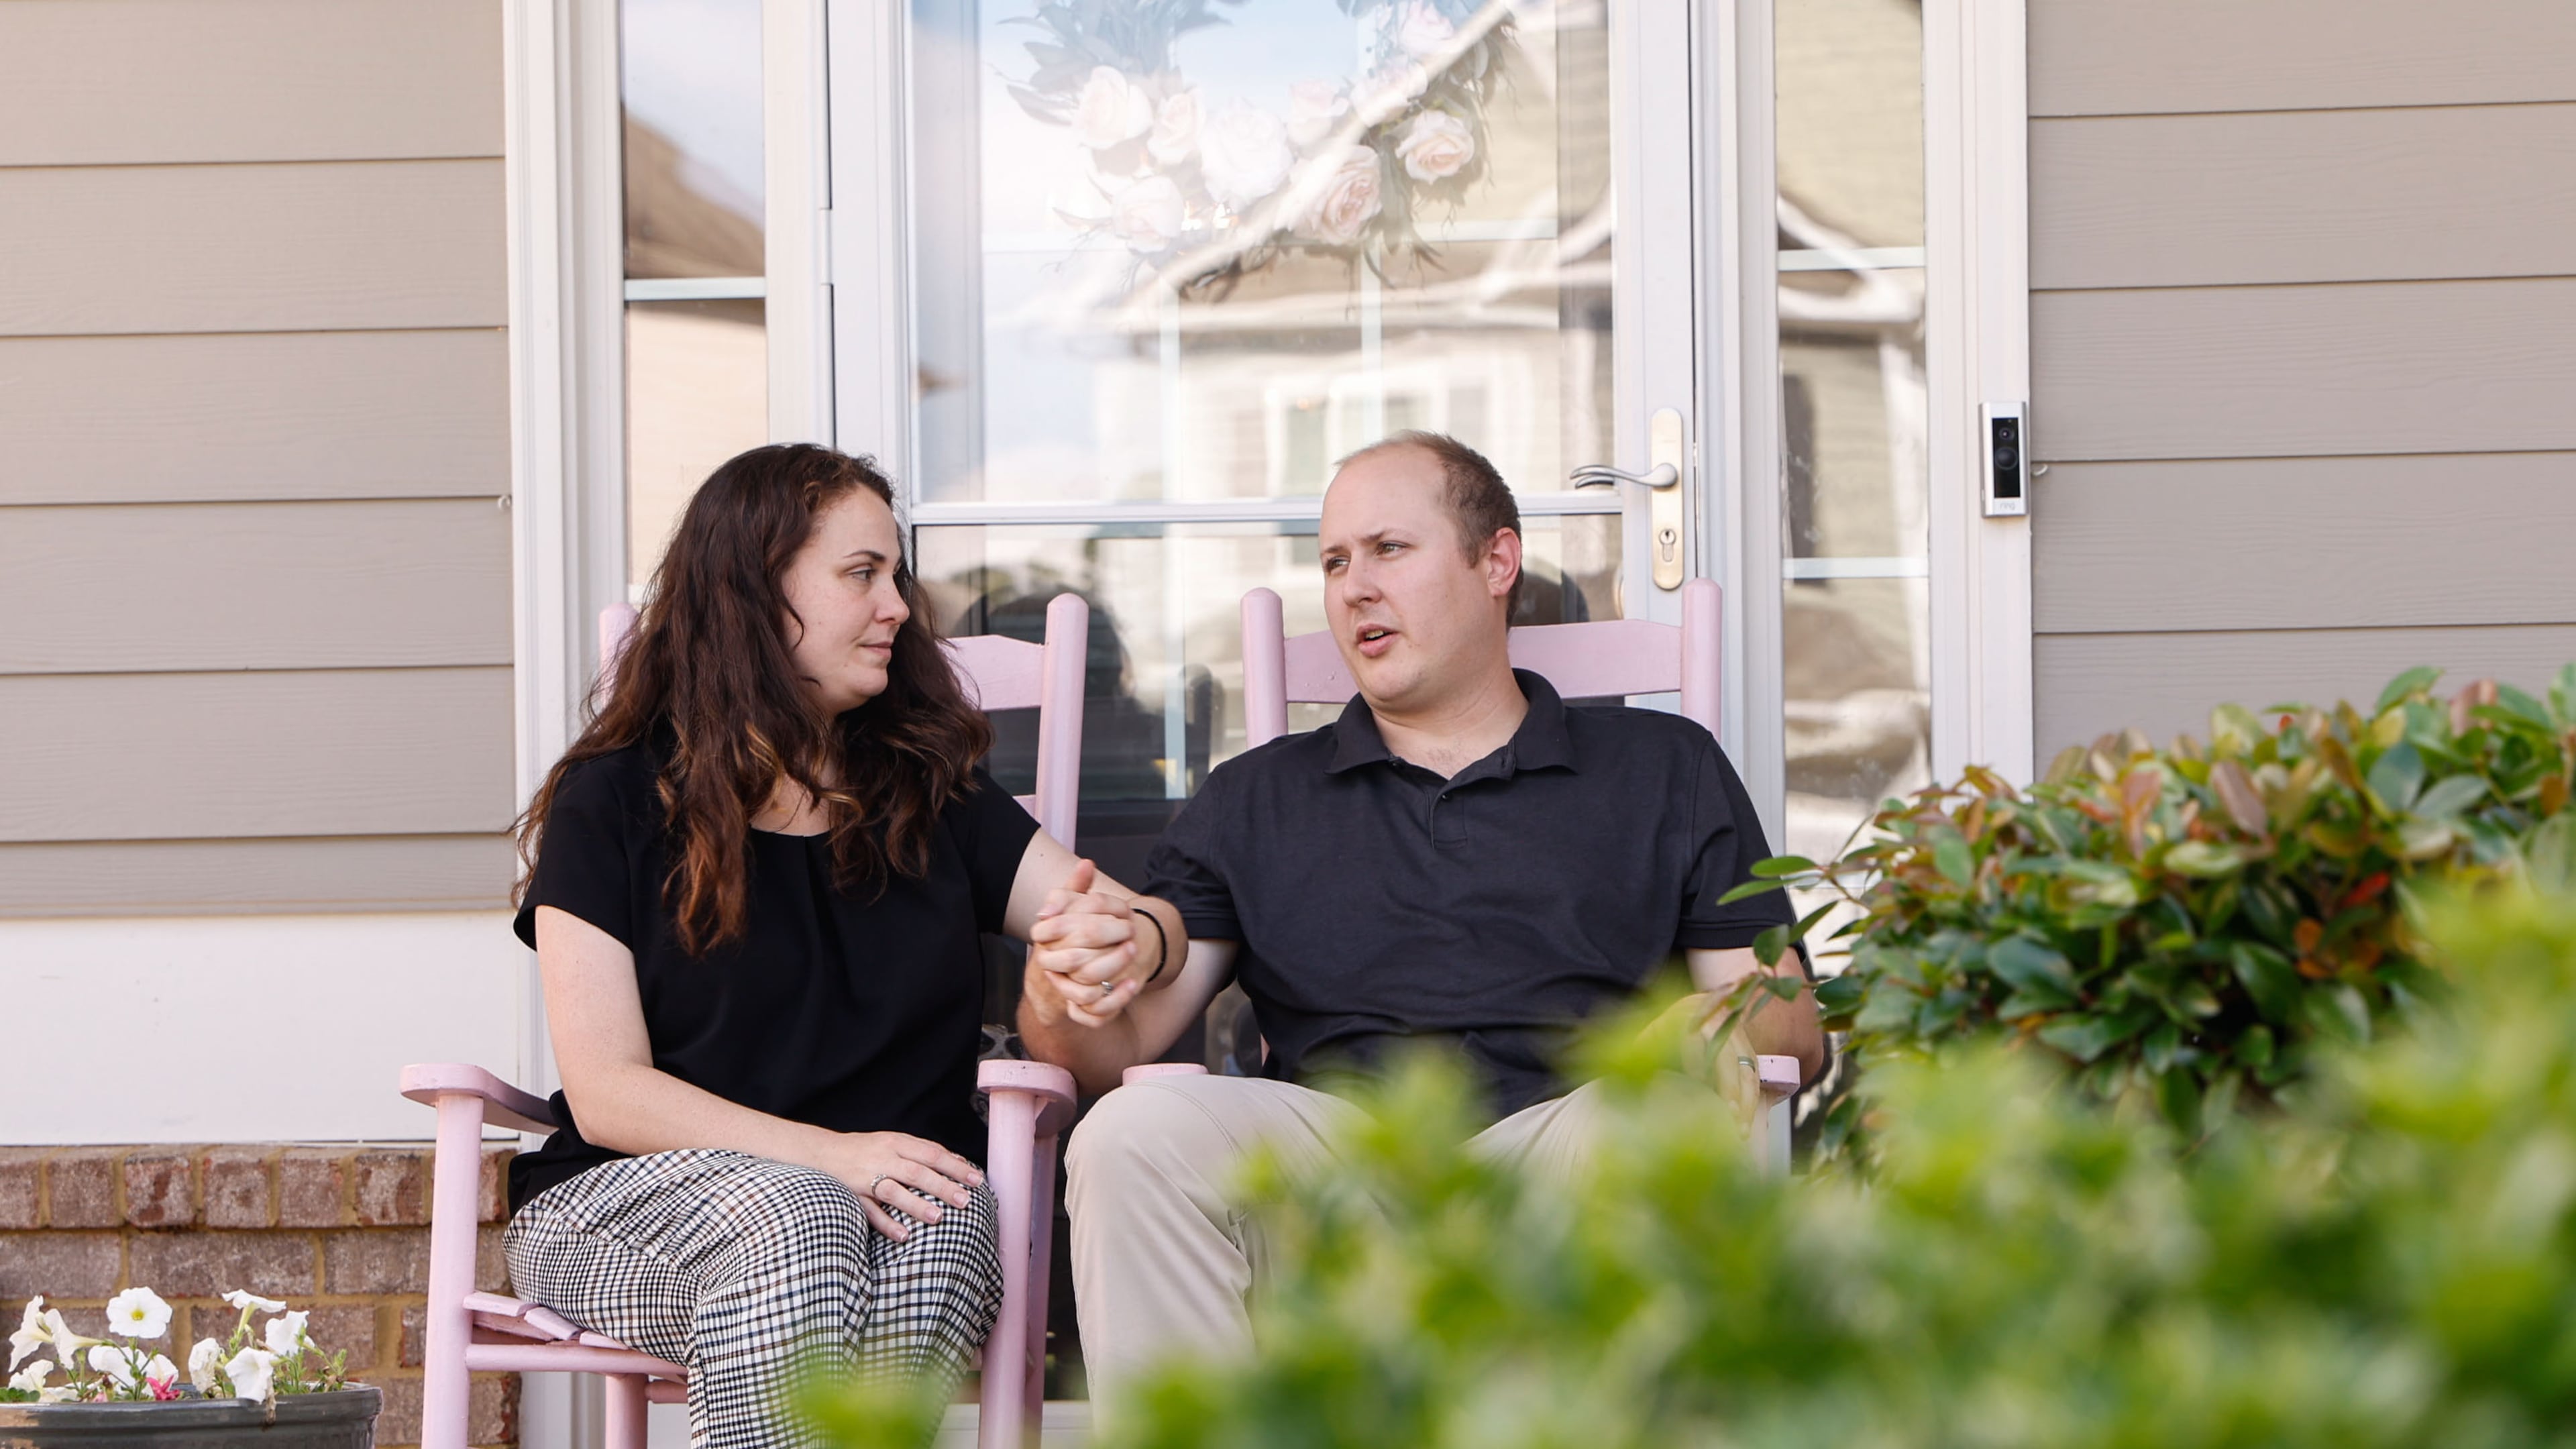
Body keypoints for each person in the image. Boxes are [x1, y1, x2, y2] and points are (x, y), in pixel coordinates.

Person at [1012, 431, 1827, 1406]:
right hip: (1337, 1170)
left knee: (1651, 1117)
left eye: (1388, 549)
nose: (1354, 586)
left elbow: (1792, 1024)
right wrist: (1058, 987)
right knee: (1131, 1130)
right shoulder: (1259, 795)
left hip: (1568, 1150)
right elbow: (1110, 1050)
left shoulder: (1663, 767)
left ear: (1496, 562)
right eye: (1334, 561)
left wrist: (1718, 1024)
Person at [504, 443, 1186, 1449]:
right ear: (752, 594)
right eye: (861, 575)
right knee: (806, 1222)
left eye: (896, 576)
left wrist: (1137, 937)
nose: (900, 607)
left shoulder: (928, 790)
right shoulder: (612, 799)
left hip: (886, 1208)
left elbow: (1107, 912)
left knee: (955, 1231)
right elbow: (608, 1092)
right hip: (621, 1209)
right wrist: (831, 1161)